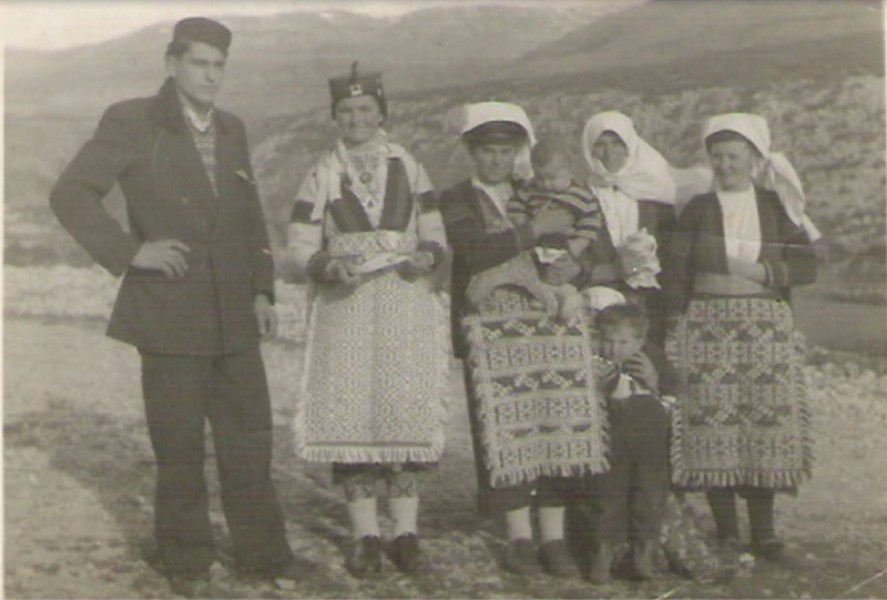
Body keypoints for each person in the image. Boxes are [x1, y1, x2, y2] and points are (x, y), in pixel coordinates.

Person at [49, 17, 299, 595]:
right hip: (168, 312)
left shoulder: (232, 128)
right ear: (172, 64)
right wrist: (130, 252)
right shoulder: (133, 120)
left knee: (249, 440)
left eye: (219, 66)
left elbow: (249, 218)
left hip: (234, 314)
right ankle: (187, 559)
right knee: (179, 444)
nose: (211, 76)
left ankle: (262, 554)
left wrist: (262, 290)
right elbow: (71, 193)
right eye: (199, 63)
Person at [287, 62, 450, 578]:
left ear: (381, 112)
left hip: (403, 299)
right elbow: (299, 243)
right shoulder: (322, 172)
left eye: (365, 109)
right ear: (335, 116)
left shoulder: (410, 166)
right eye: (346, 110)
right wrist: (328, 267)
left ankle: (405, 533)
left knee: (401, 410)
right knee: (351, 414)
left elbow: (434, 231)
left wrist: (427, 255)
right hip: (348, 305)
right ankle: (365, 536)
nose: (356, 118)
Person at [440, 102, 609, 578]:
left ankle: (553, 537)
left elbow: (592, 242)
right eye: (487, 151)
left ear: (518, 152)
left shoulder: (537, 187)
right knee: (506, 430)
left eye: (505, 151)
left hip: (547, 320)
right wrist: (535, 230)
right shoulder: (456, 199)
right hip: (491, 328)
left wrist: (576, 266)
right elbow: (473, 250)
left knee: (553, 421)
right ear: (472, 152)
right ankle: (519, 536)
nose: (497, 160)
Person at [664, 112, 818, 563]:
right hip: (707, 326)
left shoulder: (775, 205)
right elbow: (675, 268)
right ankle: (728, 532)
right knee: (714, 424)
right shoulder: (697, 208)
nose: (725, 165)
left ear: (753, 158)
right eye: (717, 156)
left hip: (764, 328)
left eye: (734, 156)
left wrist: (762, 271)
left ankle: (764, 534)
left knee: (760, 424)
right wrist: (674, 320)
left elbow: (807, 265)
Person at [587, 303, 680, 583]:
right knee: (608, 495)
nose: (613, 349)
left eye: (623, 342)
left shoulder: (651, 358)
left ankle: (643, 554)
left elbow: (672, 390)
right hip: (613, 440)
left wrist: (655, 382)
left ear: (640, 341)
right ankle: (603, 555)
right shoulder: (594, 361)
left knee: (649, 495)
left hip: (650, 439)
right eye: (607, 341)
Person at [580, 111, 677, 344]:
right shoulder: (579, 196)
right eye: (600, 145)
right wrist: (612, 271)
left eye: (617, 143)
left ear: (630, 146)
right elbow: (572, 260)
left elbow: (671, 255)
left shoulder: (654, 193)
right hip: (596, 307)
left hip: (649, 307)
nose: (609, 153)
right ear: (589, 149)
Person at [504, 137, 603, 320]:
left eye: (552, 178)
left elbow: (591, 222)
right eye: (539, 178)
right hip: (536, 244)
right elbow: (515, 204)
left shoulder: (582, 197)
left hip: (567, 246)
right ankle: (543, 297)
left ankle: (569, 297)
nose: (545, 184)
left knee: (561, 271)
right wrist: (522, 221)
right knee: (531, 270)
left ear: (570, 172)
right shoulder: (531, 190)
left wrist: (578, 244)